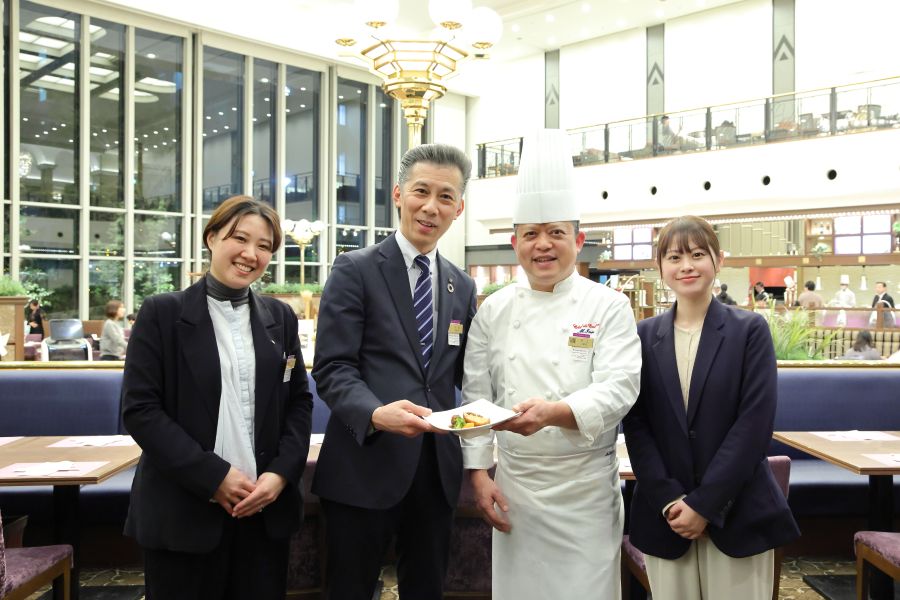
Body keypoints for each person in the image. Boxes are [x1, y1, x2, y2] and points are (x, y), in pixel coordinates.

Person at [461, 129, 642, 600]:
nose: (543, 245)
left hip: (585, 489)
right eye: (531, 234)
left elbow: (620, 387)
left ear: (578, 240)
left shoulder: (609, 306)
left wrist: (554, 413)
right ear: (514, 242)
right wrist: (478, 473)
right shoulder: (494, 310)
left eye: (556, 233)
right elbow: (476, 396)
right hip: (516, 486)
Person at [121, 195, 313, 600]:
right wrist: (214, 477)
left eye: (264, 246)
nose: (250, 254)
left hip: (263, 512)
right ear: (212, 238)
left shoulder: (280, 318)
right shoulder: (162, 314)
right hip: (183, 512)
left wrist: (281, 474)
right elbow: (140, 411)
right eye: (239, 238)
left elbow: (298, 401)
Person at [311, 144, 477, 600]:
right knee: (349, 589)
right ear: (399, 195)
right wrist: (374, 413)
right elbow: (333, 367)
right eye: (421, 191)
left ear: (459, 209)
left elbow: (467, 373)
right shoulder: (355, 269)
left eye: (446, 196)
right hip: (365, 463)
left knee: (427, 589)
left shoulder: (461, 285)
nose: (431, 207)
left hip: (436, 470)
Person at [623, 215, 799, 600]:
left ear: (718, 260)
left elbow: (754, 424)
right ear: (660, 268)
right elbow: (636, 425)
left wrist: (704, 505)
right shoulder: (642, 336)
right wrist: (670, 500)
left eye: (698, 254)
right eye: (674, 257)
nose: (686, 266)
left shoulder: (749, 330)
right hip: (666, 515)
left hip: (738, 510)